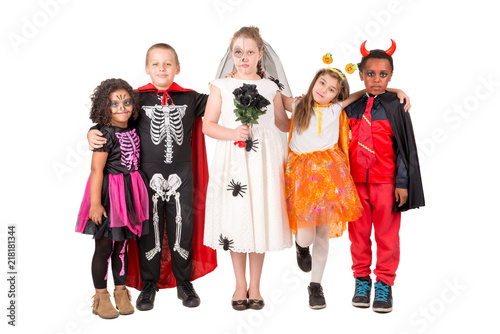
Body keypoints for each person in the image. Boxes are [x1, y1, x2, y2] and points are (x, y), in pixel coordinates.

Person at [87, 43, 217, 310]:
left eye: (168, 64)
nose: (162, 68)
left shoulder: (191, 99)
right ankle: (149, 283)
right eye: (156, 64)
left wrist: (229, 81)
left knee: (185, 227)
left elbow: (221, 102)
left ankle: (184, 280)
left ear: (177, 68)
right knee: (149, 229)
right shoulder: (137, 99)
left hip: (182, 175)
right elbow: (114, 117)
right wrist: (92, 131)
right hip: (145, 179)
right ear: (147, 69)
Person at [203, 26, 292, 310]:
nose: (244, 58)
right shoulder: (221, 85)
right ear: (232, 55)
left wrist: (307, 115)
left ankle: (256, 285)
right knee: (237, 218)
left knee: (260, 216)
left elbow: (282, 123)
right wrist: (233, 134)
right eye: (238, 52)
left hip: (265, 159)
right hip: (234, 161)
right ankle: (240, 284)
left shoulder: (270, 87)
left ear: (260, 54)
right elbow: (208, 125)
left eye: (250, 52)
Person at [345, 40, 424, 313]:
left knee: (388, 237)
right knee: (358, 236)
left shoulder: (396, 107)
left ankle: (384, 284)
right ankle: (361, 280)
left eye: (383, 75)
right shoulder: (351, 108)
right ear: (361, 75)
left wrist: (402, 183)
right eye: (370, 74)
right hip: (354, 184)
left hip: (386, 184)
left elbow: (404, 148)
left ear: (390, 76)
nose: (376, 80)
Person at [76, 78, 148, 319]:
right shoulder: (104, 133)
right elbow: (96, 170)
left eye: (127, 102)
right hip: (110, 194)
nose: (122, 108)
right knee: (104, 247)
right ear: (104, 107)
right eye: (114, 104)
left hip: (131, 193)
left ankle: (121, 292)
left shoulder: (133, 124)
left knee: (122, 247)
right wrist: (95, 204)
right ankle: (101, 297)